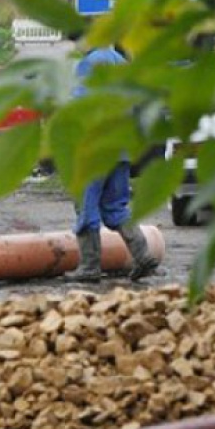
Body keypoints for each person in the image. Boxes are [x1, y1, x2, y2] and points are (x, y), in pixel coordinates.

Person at [64, 45, 161, 282]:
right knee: (116, 207)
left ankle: (89, 266)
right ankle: (142, 255)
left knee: (86, 206)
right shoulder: (122, 61)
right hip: (121, 149)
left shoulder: (90, 63)